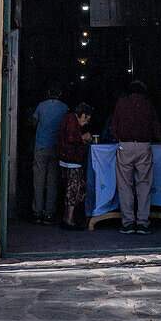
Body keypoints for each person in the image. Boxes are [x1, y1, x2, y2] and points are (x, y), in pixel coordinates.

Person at [110, 80, 161, 235]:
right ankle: (142, 223)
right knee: (144, 185)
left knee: (125, 185)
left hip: (125, 146)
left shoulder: (121, 103)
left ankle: (128, 223)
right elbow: (156, 128)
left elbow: (113, 129)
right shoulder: (148, 104)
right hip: (144, 146)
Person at [31, 83, 68, 224]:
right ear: (60, 94)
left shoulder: (41, 106)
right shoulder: (64, 108)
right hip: (56, 147)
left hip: (40, 147)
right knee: (52, 182)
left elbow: (34, 123)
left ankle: (37, 213)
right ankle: (49, 214)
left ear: (47, 92)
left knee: (38, 181)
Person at [57, 101, 93, 229]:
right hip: (71, 161)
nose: (86, 122)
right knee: (74, 189)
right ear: (83, 115)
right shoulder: (72, 121)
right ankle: (69, 220)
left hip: (66, 159)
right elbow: (71, 138)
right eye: (87, 119)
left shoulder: (67, 118)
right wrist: (83, 137)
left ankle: (67, 218)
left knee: (73, 189)